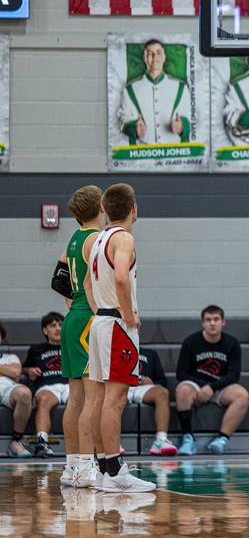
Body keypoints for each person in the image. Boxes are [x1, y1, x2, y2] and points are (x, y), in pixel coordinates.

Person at [85, 183, 155, 492]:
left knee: (102, 399)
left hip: (101, 321)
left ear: (104, 209)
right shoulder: (124, 238)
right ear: (134, 208)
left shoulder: (98, 238)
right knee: (114, 401)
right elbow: (122, 277)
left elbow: (88, 283)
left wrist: (102, 310)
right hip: (116, 324)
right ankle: (115, 473)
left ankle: (103, 470)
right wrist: (128, 316)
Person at [51, 184, 105, 487]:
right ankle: (87, 467)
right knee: (93, 398)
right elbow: (94, 282)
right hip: (88, 319)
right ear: (102, 208)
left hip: (73, 319)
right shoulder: (97, 238)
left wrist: (71, 303)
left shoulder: (74, 239)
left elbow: (57, 281)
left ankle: (71, 466)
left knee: (76, 397)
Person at [175, 305, 249, 456]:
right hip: (197, 386)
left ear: (223, 322)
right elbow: (181, 373)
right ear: (203, 323)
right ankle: (188, 439)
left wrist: (212, 387)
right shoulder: (191, 342)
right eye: (208, 320)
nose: (212, 323)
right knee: (182, 390)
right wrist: (204, 387)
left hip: (220, 387)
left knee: (242, 395)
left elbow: (234, 375)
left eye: (216, 319)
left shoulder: (232, 343)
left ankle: (221, 440)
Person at [116, 38, 190, 145]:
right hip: (143, 155)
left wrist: (182, 127)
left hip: (173, 156)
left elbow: (192, 119)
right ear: (145, 58)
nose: (154, 57)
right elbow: (122, 123)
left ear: (164, 57)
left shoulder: (181, 87)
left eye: (158, 53)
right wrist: (133, 129)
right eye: (150, 54)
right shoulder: (130, 90)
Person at [22, 313, 70, 458]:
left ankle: (82, 443)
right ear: (45, 330)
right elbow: (24, 368)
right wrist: (30, 370)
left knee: (79, 402)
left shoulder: (72, 346)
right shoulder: (37, 349)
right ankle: (42, 442)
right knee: (43, 401)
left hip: (70, 384)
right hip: (47, 385)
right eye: (53, 325)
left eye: (61, 325)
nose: (58, 328)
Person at [129, 348, 177, 456]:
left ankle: (161, 440)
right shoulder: (113, 349)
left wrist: (152, 382)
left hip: (143, 388)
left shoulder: (150, 353)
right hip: (121, 387)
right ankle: (112, 443)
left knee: (162, 392)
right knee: (110, 397)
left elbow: (162, 380)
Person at [0, 321, 33, 458]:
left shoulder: (10, 357)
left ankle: (16, 441)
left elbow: (15, 373)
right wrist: (5, 370)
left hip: (7, 388)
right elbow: (11, 372)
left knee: (24, 393)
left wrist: (8, 373)